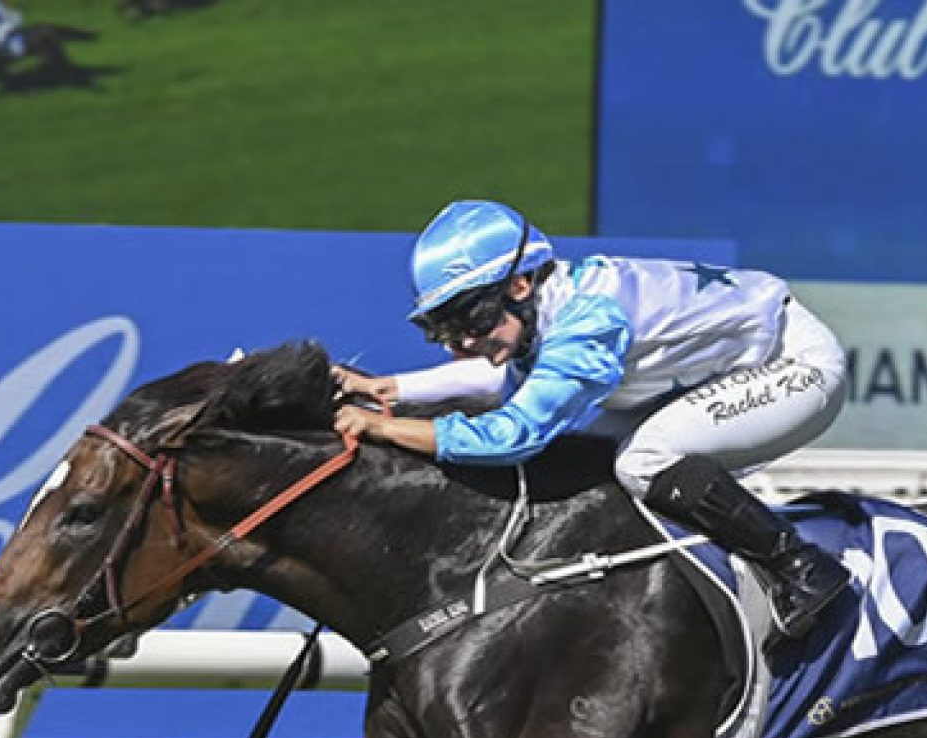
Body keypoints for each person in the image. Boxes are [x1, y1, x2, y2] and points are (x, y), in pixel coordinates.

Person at [331, 200, 852, 639]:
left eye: (470, 318)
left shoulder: (587, 322)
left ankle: (800, 567)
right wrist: (390, 388)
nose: (463, 343)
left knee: (644, 461)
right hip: (723, 371)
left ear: (519, 286)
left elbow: (515, 434)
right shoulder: (549, 307)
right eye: (446, 327)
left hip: (794, 367)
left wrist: (382, 426)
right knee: (579, 457)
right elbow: (500, 378)